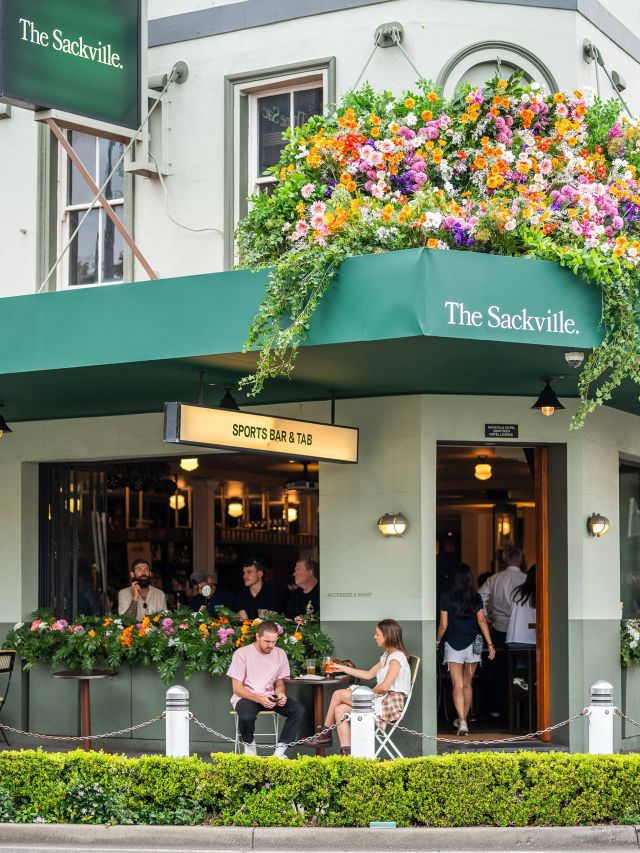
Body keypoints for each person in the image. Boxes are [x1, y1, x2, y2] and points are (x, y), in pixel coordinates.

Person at [308, 619, 411, 755]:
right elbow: (368, 674)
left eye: (377, 634)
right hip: (380, 698)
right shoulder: (387, 656)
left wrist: (363, 693)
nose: (374, 637)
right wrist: (341, 667)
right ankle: (348, 755)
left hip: (389, 703)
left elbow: (385, 687)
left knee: (338, 694)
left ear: (387, 635)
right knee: (339, 710)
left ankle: (324, 734)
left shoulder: (397, 658)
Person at [226, 619, 304, 758]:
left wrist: (280, 694)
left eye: (274, 642)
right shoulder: (241, 653)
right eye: (267, 642)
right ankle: (250, 752)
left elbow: (279, 682)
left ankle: (278, 754)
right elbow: (237, 689)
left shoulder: (280, 653)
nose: (271, 645)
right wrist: (258, 698)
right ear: (257, 636)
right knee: (247, 716)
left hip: (269, 696)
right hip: (247, 696)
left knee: (298, 710)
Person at [436, 563, 495, 736]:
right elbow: (482, 621)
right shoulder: (475, 597)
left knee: (457, 684)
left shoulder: (446, 597)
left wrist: (437, 641)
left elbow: (444, 625)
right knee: (468, 684)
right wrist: (490, 644)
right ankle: (464, 721)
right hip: (473, 644)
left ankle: (461, 720)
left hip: (453, 644)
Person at [478, 545, 527, 720]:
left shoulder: (495, 578)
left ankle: (498, 708)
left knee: (498, 671)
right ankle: (520, 711)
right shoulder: (526, 579)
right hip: (522, 630)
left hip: (499, 627)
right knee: (519, 671)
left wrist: (485, 616)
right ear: (520, 559)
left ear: (505, 559)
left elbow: (479, 597)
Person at [507, 565, 537, 688]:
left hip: (513, 639)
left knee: (522, 664)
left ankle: (521, 683)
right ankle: (533, 683)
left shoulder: (517, 592)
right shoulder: (539, 592)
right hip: (531, 640)